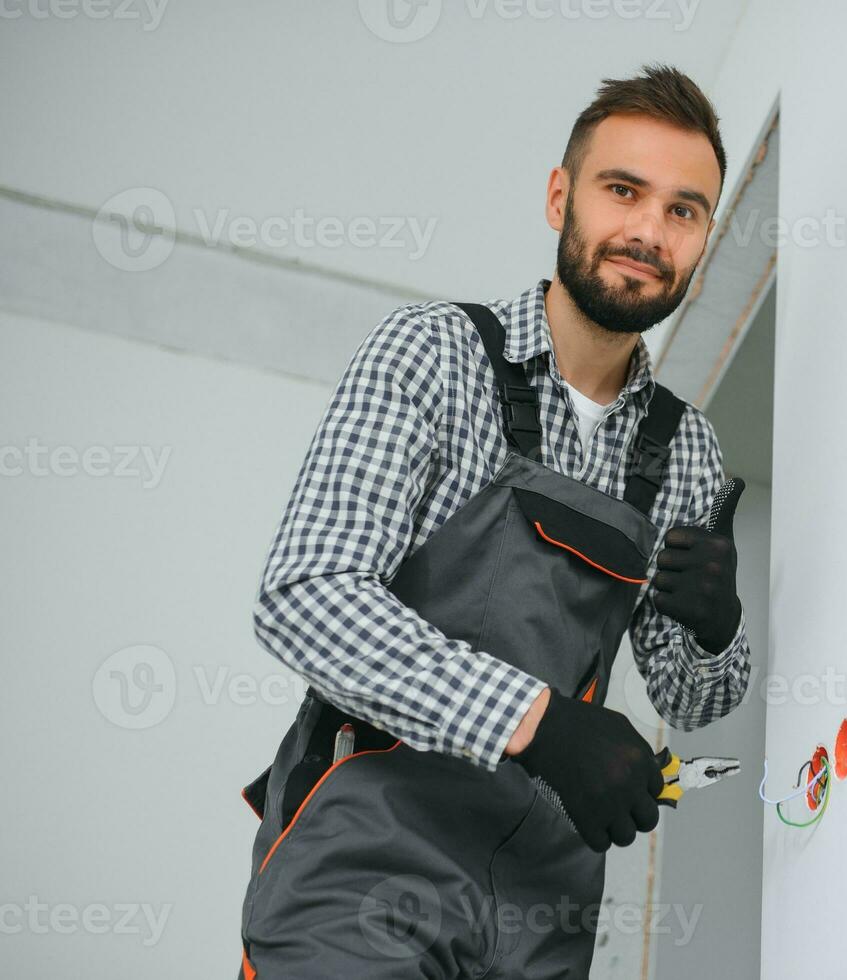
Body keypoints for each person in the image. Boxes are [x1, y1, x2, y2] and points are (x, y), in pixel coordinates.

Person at [235, 63, 750, 979]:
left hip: (541, 911)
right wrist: (538, 721)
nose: (648, 231)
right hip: (363, 875)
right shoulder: (435, 357)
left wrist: (717, 632)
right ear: (561, 196)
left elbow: (690, 700)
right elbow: (304, 595)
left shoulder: (686, 453)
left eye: (684, 210)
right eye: (622, 190)